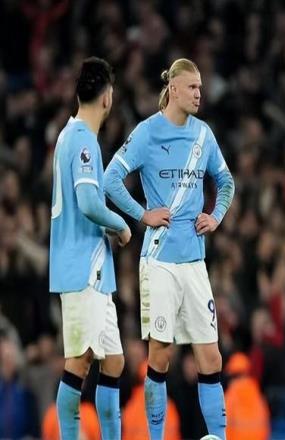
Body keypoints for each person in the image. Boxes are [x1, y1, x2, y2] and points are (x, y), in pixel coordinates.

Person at [104, 57, 235, 439]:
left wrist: (216, 215)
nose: (199, 94)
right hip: (159, 261)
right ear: (173, 89)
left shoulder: (203, 135)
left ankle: (219, 437)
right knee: (160, 355)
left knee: (211, 356)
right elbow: (111, 179)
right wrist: (141, 214)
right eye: (192, 87)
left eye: (200, 88)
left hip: (194, 260)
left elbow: (226, 181)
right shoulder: (148, 133)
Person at [49, 57, 131, 440]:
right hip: (83, 267)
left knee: (113, 361)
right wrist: (120, 224)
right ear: (107, 97)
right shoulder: (83, 140)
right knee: (80, 362)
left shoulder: (67, 135)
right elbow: (87, 202)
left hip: (90, 270)